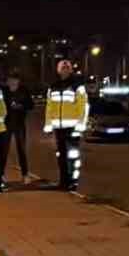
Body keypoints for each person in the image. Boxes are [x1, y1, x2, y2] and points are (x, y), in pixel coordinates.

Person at [44, 59, 88, 190]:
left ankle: (73, 182)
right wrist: (48, 124)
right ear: (58, 70)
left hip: (73, 127)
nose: (64, 71)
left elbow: (83, 106)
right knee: (61, 156)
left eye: (67, 68)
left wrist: (81, 124)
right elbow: (49, 106)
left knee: (73, 155)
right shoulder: (53, 86)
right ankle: (63, 181)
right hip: (59, 127)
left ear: (70, 70)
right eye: (62, 69)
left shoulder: (77, 86)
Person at [4, 72, 36, 183]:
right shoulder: (4, 91)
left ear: (18, 81)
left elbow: (31, 105)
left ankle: (25, 174)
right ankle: (1, 174)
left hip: (19, 123)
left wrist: (21, 106)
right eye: (10, 80)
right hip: (6, 123)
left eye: (14, 79)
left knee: (21, 149)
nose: (12, 82)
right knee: (4, 150)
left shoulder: (23, 90)